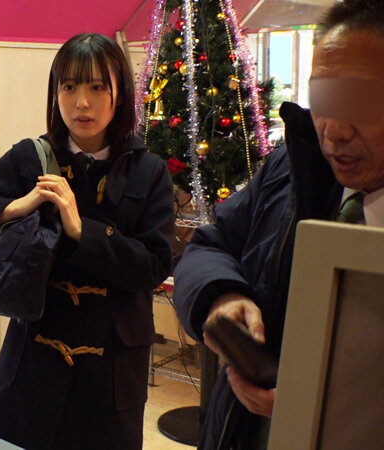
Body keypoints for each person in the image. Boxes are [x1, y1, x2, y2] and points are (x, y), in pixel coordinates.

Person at [0, 33, 174, 449]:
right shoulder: (32, 157)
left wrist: (82, 229)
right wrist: (17, 206)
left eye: (97, 87)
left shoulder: (149, 171)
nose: (82, 103)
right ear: (55, 93)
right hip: (34, 363)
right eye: (69, 87)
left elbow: (153, 266)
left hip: (112, 371)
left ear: (119, 93)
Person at [172, 1, 384, 448]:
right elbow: (209, 244)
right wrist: (222, 296)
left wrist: (329, 407)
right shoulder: (290, 168)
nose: (333, 129)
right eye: (323, 100)